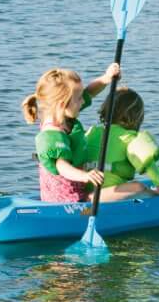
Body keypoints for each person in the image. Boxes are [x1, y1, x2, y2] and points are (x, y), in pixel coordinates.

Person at [22, 62, 120, 207]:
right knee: (135, 188)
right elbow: (62, 166)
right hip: (69, 203)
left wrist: (106, 78)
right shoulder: (52, 134)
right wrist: (85, 176)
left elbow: (90, 92)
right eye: (79, 98)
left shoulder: (64, 114)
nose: (83, 101)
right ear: (62, 104)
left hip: (76, 193)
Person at [79, 88, 159, 200]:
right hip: (99, 198)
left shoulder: (92, 131)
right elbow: (148, 164)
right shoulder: (129, 137)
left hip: (85, 191)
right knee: (139, 186)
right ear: (137, 116)